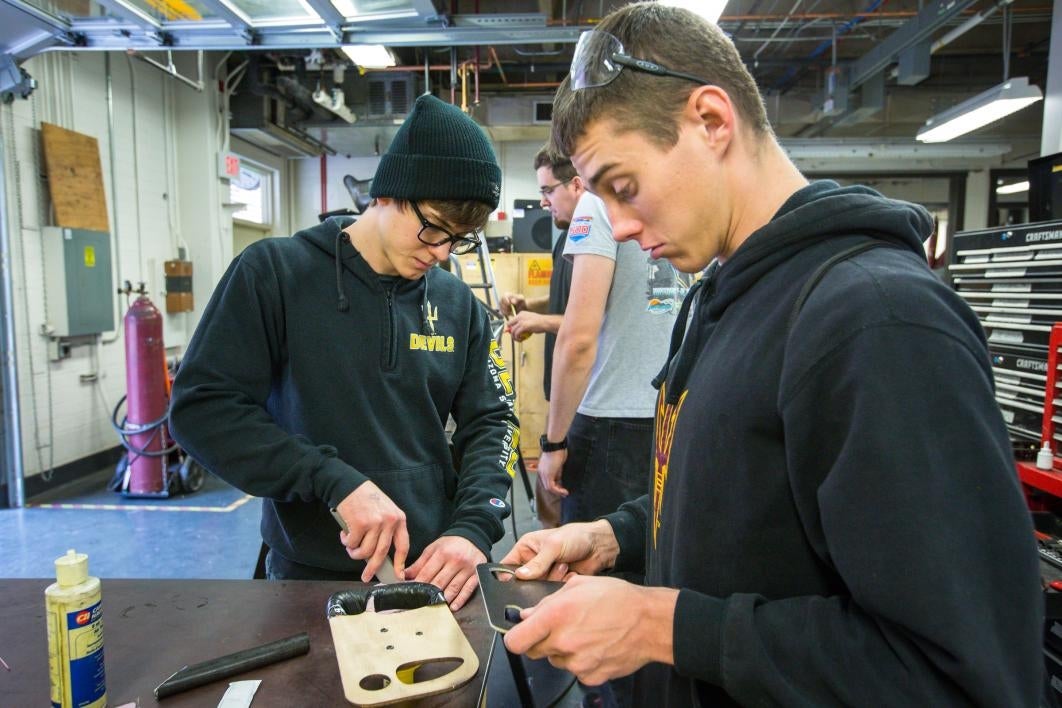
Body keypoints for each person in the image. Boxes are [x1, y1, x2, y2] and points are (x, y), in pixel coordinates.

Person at [501, 3, 1042, 706]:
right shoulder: (718, 296)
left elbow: (960, 676)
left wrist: (663, 626)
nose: (624, 227)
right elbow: (736, 502)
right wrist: (614, 537)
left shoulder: (878, 323)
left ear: (712, 121)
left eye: (624, 188)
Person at [170, 94, 518, 612]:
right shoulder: (275, 275)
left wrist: (473, 529)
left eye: (459, 239)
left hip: (436, 574)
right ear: (388, 193)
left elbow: (494, 422)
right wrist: (331, 480)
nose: (442, 251)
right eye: (434, 227)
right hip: (308, 576)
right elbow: (202, 411)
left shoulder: (456, 304)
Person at [538, 188, 683, 528]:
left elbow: (578, 339)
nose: (545, 200)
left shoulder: (598, 201)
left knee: (596, 566)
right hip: (681, 411)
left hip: (613, 419)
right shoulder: (691, 189)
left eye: (548, 189)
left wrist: (553, 442)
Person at [500, 146, 582, 528]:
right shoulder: (567, 237)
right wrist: (529, 301)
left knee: (559, 488)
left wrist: (539, 322)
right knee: (550, 493)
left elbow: (587, 321)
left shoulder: (593, 233)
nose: (543, 201)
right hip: (559, 385)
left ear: (576, 185)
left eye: (548, 190)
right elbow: (568, 292)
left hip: (582, 393)